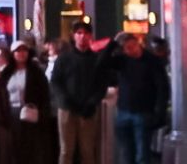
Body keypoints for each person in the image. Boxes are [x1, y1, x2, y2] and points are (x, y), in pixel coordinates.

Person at [51, 21, 116, 164]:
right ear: (74, 36)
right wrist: (64, 100)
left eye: (86, 33)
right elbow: (55, 82)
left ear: (91, 36)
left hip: (88, 110)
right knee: (66, 150)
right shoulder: (63, 59)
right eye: (79, 33)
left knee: (87, 150)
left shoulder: (96, 59)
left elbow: (102, 84)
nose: (82, 37)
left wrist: (92, 102)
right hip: (67, 109)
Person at [107, 33, 167, 164]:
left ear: (138, 43)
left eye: (133, 46)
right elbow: (103, 61)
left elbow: (162, 88)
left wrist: (159, 112)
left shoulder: (152, 61)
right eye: (127, 48)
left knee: (142, 154)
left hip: (144, 112)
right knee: (125, 153)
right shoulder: (122, 60)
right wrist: (113, 43)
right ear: (123, 50)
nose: (131, 50)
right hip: (123, 111)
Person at [0, 40, 57, 164]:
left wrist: (42, 114)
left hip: (31, 115)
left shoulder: (36, 73)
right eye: (18, 51)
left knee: (31, 149)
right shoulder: (6, 73)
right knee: (13, 149)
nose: (21, 54)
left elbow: (44, 95)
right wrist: (0, 115)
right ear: (13, 54)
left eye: (24, 50)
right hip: (11, 114)